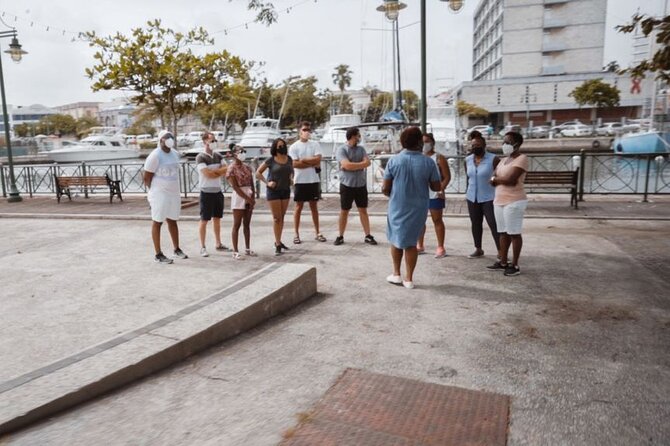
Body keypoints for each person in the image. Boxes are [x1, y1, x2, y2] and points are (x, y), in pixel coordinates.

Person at [382, 126, 441, 289]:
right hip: (418, 207)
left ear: (403, 142)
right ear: (419, 142)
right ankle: (409, 279)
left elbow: (385, 188)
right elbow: (436, 187)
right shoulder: (428, 162)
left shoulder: (394, 160)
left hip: (397, 206)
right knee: (411, 243)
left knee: (396, 239)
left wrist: (393, 193)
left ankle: (396, 274)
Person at [143, 130, 188, 264]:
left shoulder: (174, 154)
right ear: (161, 140)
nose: (170, 139)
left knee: (173, 220)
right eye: (166, 137)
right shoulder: (155, 155)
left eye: (171, 136)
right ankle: (158, 254)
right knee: (157, 221)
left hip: (173, 193)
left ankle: (176, 249)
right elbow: (146, 177)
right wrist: (153, 193)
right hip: (159, 194)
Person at [488, 131, 528, 276]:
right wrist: (497, 179)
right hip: (499, 200)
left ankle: (515, 264)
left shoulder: (522, 159)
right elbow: (491, 178)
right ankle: (503, 261)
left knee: (514, 233)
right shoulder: (503, 160)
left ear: (517, 144)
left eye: (508, 142)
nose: (505, 145)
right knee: (503, 233)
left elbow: (512, 180)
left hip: (514, 201)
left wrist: (496, 179)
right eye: (504, 142)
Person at [333, 127, 377, 246]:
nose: (359, 137)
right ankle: (340, 235)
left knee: (363, 210)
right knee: (344, 210)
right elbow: (346, 165)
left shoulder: (361, 149)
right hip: (347, 185)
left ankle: (368, 235)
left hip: (360, 185)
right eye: (358, 135)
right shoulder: (341, 149)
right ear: (353, 136)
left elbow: (367, 162)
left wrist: (351, 166)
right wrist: (358, 165)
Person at [289, 121, 326, 244]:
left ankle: (317, 232)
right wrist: (310, 163)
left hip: (313, 180)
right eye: (305, 130)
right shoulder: (294, 147)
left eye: (309, 130)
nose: (307, 132)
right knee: (298, 207)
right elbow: (294, 164)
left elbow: (318, 159)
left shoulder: (315, 144)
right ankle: (296, 233)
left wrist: (303, 160)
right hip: (299, 181)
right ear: (300, 131)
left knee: (314, 206)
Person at [464, 135, 501, 259]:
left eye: (478, 145)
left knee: (493, 224)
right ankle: (478, 249)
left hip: (489, 197)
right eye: (473, 145)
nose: (475, 147)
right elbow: (468, 177)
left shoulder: (493, 159)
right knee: (475, 223)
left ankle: (501, 251)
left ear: (484, 146)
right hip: (472, 197)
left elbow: (499, 176)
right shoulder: (467, 160)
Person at [256, 138, 294, 256]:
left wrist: (291, 179)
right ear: (275, 147)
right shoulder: (271, 160)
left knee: (282, 217)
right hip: (274, 191)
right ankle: (277, 243)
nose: (281, 147)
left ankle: (279, 240)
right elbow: (258, 173)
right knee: (277, 218)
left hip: (285, 190)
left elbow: (290, 171)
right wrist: (267, 183)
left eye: (283, 145)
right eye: (279, 146)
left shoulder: (289, 159)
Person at [416, 132, 451, 258]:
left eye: (427, 141)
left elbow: (447, 177)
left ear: (432, 143)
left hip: (435, 194)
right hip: (420, 194)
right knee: (420, 220)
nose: (425, 144)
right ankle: (420, 245)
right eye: (423, 141)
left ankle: (441, 246)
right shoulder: (418, 157)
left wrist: (440, 189)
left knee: (437, 219)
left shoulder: (439, 158)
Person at [196, 131, 229, 257]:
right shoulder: (200, 157)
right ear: (205, 142)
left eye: (215, 140)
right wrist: (218, 171)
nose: (214, 142)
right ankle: (203, 247)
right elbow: (207, 174)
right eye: (211, 140)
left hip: (217, 191)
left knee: (217, 219)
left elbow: (227, 169)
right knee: (204, 220)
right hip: (206, 192)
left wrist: (215, 171)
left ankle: (218, 243)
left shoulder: (218, 155)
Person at [226, 145, 256, 259]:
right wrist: (247, 198)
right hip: (239, 197)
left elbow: (252, 182)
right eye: (240, 151)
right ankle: (235, 250)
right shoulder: (231, 168)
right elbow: (235, 187)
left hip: (248, 193)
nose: (243, 153)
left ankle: (247, 248)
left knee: (247, 224)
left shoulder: (247, 167)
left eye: (244, 151)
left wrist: (252, 196)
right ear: (234, 154)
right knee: (237, 224)